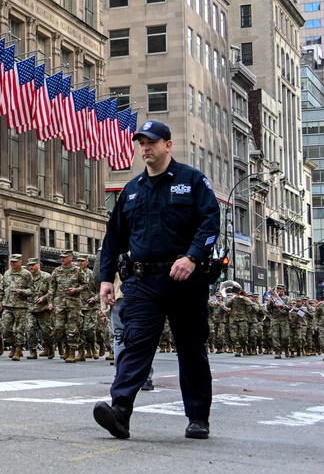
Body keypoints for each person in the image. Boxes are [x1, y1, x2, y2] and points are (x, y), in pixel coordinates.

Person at [94, 119, 220, 440]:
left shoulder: (192, 181)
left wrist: (192, 256)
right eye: (141, 143)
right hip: (143, 282)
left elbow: (209, 223)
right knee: (135, 345)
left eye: (151, 142)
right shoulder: (132, 190)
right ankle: (120, 410)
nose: (145, 148)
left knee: (191, 348)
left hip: (185, 281)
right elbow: (114, 237)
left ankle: (198, 417)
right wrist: (105, 278)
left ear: (168, 145)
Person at [49, 250, 87, 362]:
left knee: (72, 328)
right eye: (62, 257)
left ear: (71, 258)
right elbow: (52, 287)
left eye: (65, 257)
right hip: (59, 304)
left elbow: (85, 285)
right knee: (58, 328)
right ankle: (65, 346)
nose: (62, 259)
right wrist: (50, 302)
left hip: (73, 303)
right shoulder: (57, 271)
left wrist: (76, 289)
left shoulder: (77, 270)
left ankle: (71, 352)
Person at [0, 254, 32, 361]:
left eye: (15, 261)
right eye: (11, 261)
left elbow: (32, 290)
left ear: (20, 262)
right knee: (6, 328)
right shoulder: (7, 273)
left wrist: (23, 291)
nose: (12, 263)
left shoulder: (26, 274)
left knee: (20, 329)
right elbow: (0, 289)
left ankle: (18, 349)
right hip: (7, 305)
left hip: (20, 306)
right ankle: (13, 344)